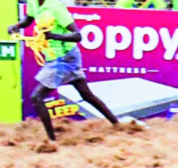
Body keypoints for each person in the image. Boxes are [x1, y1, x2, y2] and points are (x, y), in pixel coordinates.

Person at [9, 0, 121, 142]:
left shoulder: (56, 7)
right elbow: (28, 20)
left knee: (36, 97)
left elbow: (77, 35)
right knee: (86, 94)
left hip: (64, 57)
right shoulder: (33, 3)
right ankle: (117, 124)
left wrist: (54, 36)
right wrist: (17, 26)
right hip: (56, 57)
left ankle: (51, 141)